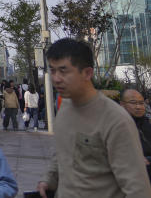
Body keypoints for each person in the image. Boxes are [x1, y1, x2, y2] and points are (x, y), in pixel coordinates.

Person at [37, 38, 151, 197]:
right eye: (53, 70)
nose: (56, 78)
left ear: (87, 73)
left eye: (63, 71)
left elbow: (137, 188)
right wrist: (49, 178)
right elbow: (62, 152)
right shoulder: (65, 108)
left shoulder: (115, 120)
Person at [120, 87, 151, 183]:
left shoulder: (147, 123)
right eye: (133, 103)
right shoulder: (116, 127)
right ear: (122, 105)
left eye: (141, 103)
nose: (138, 107)